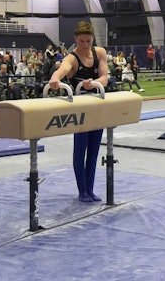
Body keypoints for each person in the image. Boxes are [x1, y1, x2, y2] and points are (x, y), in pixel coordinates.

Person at [49, 21, 109, 203]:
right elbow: (63, 69)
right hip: (80, 108)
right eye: (81, 41)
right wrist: (55, 78)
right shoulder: (72, 58)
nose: (85, 45)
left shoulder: (100, 53)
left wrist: (94, 83)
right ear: (75, 39)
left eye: (88, 41)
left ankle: (90, 189)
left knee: (94, 150)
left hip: (97, 106)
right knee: (80, 149)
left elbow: (105, 77)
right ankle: (82, 190)